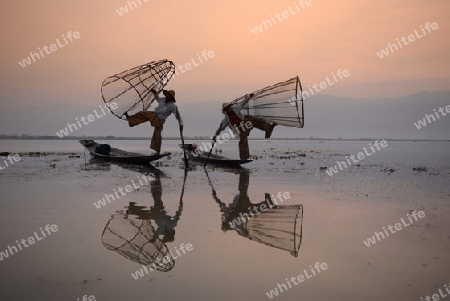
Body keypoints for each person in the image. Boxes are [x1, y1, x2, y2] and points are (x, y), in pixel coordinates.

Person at [213, 93, 276, 160]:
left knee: (255, 120)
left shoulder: (236, 108)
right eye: (228, 108)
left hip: (245, 122)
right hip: (239, 129)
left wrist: (249, 97)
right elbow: (220, 128)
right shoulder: (226, 119)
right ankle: (244, 157)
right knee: (243, 140)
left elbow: (242, 103)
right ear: (226, 110)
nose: (230, 109)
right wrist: (215, 135)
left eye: (229, 107)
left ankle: (269, 128)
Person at [125, 89, 183, 153]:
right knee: (141, 113)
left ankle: (157, 151)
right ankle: (130, 119)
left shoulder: (173, 106)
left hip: (160, 119)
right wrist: (154, 93)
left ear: (171, 97)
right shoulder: (163, 100)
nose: (167, 96)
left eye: (168, 95)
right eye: (166, 94)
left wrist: (181, 124)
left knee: (157, 134)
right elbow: (157, 98)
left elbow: (178, 115)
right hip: (154, 114)